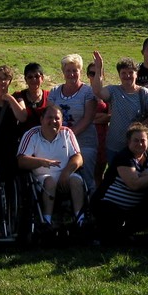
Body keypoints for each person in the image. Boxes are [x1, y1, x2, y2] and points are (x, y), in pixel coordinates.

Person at [93, 123, 148, 245]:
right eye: (136, 140)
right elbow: (134, 184)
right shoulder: (124, 157)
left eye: (143, 140)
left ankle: (128, 234)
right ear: (128, 142)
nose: (140, 144)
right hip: (108, 204)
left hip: (132, 208)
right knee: (110, 238)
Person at [17, 104, 86, 228]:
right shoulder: (31, 135)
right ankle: (47, 220)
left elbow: (78, 157)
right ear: (41, 119)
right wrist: (41, 162)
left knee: (76, 180)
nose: (53, 121)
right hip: (41, 178)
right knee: (50, 182)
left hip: (65, 174)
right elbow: (21, 161)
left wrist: (66, 172)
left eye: (57, 118)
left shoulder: (67, 133)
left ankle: (80, 219)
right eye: (49, 117)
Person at [90, 52, 148, 160]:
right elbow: (98, 91)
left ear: (136, 74)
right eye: (123, 73)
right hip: (114, 147)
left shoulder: (144, 93)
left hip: (136, 149)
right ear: (119, 75)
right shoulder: (114, 91)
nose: (127, 76)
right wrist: (98, 68)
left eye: (131, 72)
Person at [49, 54, 99, 193]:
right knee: (62, 178)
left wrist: (68, 135)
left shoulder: (88, 92)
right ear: (63, 72)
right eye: (68, 71)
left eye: (75, 70)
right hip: (60, 144)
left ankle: (90, 202)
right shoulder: (55, 92)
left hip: (84, 143)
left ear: (80, 71)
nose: (71, 74)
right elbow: (50, 117)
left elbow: (88, 119)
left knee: (86, 179)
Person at [14, 62, 49, 137]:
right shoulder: (19, 95)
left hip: (44, 138)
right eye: (30, 77)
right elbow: (22, 117)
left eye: (37, 76)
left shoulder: (49, 96)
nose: (34, 79)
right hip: (24, 139)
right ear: (25, 79)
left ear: (42, 78)